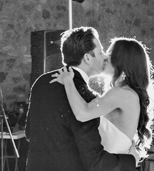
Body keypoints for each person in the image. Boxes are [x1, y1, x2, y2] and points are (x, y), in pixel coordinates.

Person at [25, 27, 137, 171]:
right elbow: (94, 161)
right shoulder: (85, 98)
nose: (104, 57)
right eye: (100, 51)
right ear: (88, 58)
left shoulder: (41, 82)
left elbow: (29, 133)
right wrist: (130, 160)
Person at [53, 37, 154, 158]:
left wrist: (68, 81)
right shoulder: (127, 94)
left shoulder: (122, 94)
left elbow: (82, 113)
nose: (105, 58)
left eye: (111, 54)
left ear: (124, 65)